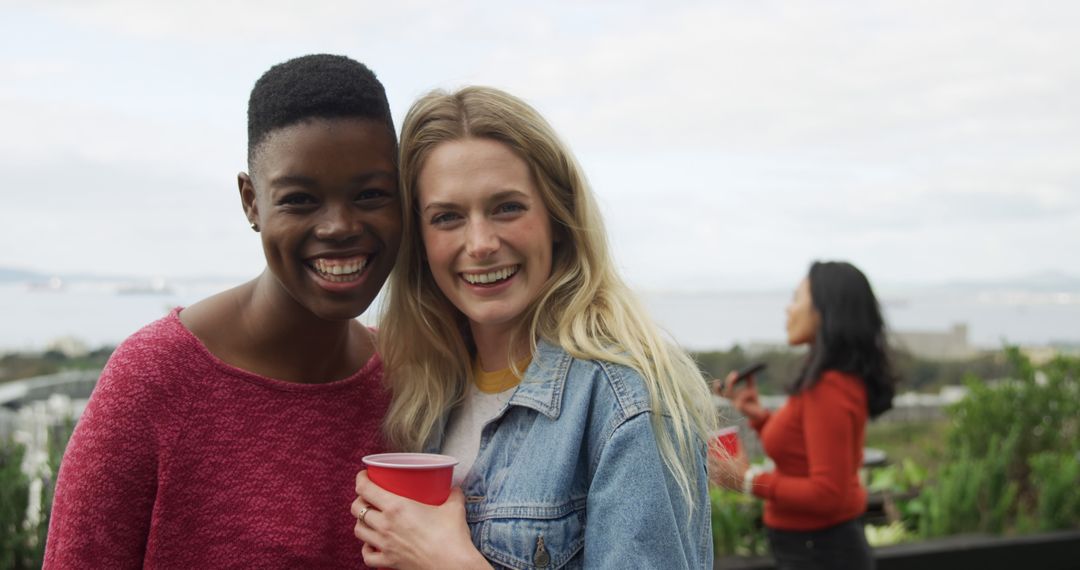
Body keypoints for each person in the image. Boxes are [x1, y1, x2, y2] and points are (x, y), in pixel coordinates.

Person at [44, 54, 401, 568]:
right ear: (251, 201)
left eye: (370, 194)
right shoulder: (155, 377)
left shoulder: (402, 380)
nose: (338, 226)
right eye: (300, 200)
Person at [350, 86, 716, 568]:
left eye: (507, 207)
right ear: (420, 241)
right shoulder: (430, 391)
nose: (480, 243)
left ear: (557, 219)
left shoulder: (628, 401)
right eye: (448, 217)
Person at [710, 261, 898, 570]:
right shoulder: (832, 382)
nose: (789, 309)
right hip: (817, 547)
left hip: (821, 551)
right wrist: (760, 418)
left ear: (824, 310)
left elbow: (827, 494)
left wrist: (747, 479)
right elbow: (807, 453)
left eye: (797, 298)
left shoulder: (829, 389)